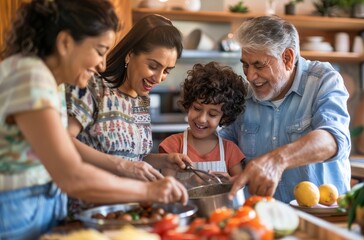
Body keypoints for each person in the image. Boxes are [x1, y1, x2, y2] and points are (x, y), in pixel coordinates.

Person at [0, 1, 187, 239]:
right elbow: (72, 176)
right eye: (100, 50)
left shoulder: (46, 81)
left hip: (38, 209)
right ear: (66, 43)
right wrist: (148, 190)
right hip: (17, 213)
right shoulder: (30, 77)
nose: (102, 64)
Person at [65, 14, 192, 214]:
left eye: (167, 70)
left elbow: (134, 158)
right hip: (88, 212)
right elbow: (64, 141)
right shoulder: (93, 87)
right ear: (130, 55)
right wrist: (121, 166)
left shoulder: (140, 100)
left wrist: (163, 160)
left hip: (128, 211)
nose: (158, 78)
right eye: (153, 66)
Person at [221, 15, 351, 203]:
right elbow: (223, 145)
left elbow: (333, 140)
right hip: (263, 219)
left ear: (288, 58)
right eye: (245, 65)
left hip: (323, 217)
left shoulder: (323, 80)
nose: (250, 75)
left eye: (259, 65)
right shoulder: (244, 97)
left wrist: (277, 160)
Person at [158, 62, 247, 184]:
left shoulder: (230, 150)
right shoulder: (172, 146)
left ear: (224, 116)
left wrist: (229, 181)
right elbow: (166, 187)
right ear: (188, 105)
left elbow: (241, 186)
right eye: (197, 108)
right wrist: (189, 183)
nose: (201, 119)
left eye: (212, 114)